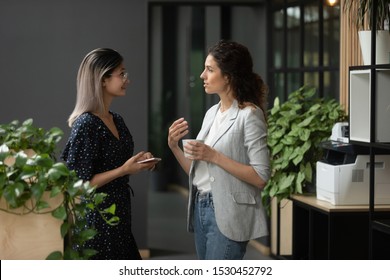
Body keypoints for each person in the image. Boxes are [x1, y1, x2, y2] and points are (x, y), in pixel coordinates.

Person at [167, 40, 270, 260]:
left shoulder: (249, 115)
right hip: (200, 206)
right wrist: (174, 146)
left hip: (228, 212)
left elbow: (261, 176)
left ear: (228, 76)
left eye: (210, 69)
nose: (202, 75)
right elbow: (199, 174)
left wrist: (213, 155)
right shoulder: (212, 113)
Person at [61, 48, 158, 260]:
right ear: (103, 79)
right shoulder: (86, 124)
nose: (127, 80)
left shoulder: (117, 119)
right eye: (121, 74)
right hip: (97, 221)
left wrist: (140, 161)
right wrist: (124, 170)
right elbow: (78, 184)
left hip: (120, 215)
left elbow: (117, 162)